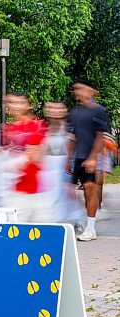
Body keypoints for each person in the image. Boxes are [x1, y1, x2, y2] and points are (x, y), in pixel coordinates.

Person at [67, 79, 109, 241]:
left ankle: (91, 228)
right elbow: (72, 136)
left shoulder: (99, 111)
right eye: (76, 89)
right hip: (77, 157)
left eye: (80, 88)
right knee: (68, 190)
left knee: (89, 190)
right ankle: (78, 219)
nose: (77, 91)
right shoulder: (75, 112)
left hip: (90, 157)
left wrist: (93, 158)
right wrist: (68, 158)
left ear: (92, 91)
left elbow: (100, 137)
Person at [1, 92, 48, 222]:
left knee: (39, 233)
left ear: (29, 106)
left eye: (20, 103)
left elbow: (33, 153)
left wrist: (11, 164)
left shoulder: (38, 125)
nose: (16, 106)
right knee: (12, 232)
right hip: (15, 190)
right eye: (12, 102)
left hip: (37, 191)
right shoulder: (10, 129)